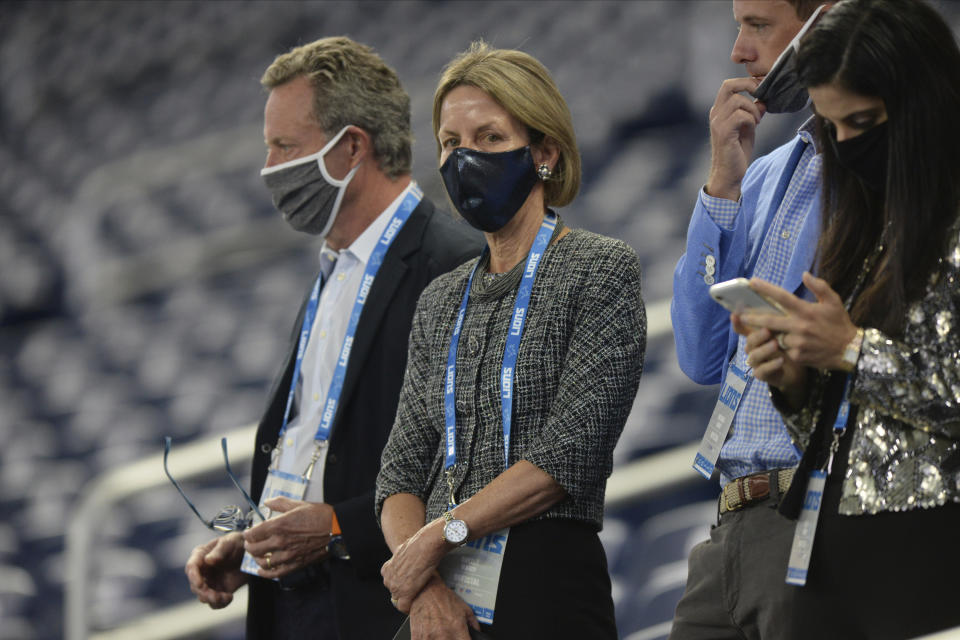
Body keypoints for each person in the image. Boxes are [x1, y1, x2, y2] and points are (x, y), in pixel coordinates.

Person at [182, 36, 482, 640]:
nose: (269, 169)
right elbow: (319, 446)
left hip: (387, 604)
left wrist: (339, 529)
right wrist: (255, 545)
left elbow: (479, 463)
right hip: (294, 600)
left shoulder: (454, 263)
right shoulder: (331, 270)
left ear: (351, 148)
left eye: (283, 147)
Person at [375, 42, 646, 640]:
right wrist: (423, 583)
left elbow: (566, 456)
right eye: (451, 143)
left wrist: (439, 535)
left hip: (547, 583)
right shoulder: (441, 301)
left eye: (489, 138)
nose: (465, 158)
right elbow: (398, 472)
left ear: (544, 152)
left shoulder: (599, 269)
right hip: (441, 599)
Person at [736, 1, 960, 637]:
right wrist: (796, 379)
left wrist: (853, 351)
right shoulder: (873, 222)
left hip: (931, 559)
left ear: (925, 99)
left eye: (863, 122)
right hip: (838, 550)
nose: (848, 147)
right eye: (834, 129)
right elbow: (855, 420)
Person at [669, 1, 832, 638]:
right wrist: (722, 186)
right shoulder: (761, 176)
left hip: (812, 508)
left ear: (826, 22)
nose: (738, 50)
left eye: (758, 25)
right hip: (731, 516)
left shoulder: (889, 168)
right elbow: (700, 356)